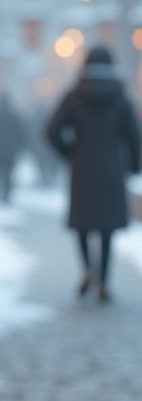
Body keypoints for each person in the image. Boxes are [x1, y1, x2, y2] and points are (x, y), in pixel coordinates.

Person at [46, 45, 141, 300]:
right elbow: (135, 136)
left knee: (83, 223)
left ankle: (88, 269)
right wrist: (134, 166)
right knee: (107, 227)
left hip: (82, 168)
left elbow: (51, 130)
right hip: (112, 168)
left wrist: (69, 153)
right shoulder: (120, 97)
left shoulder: (74, 96)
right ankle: (104, 281)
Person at [0, 92, 27, 202]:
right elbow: (21, 133)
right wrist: (21, 146)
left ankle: (2, 192)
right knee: (8, 172)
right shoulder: (14, 116)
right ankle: (6, 193)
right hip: (11, 149)